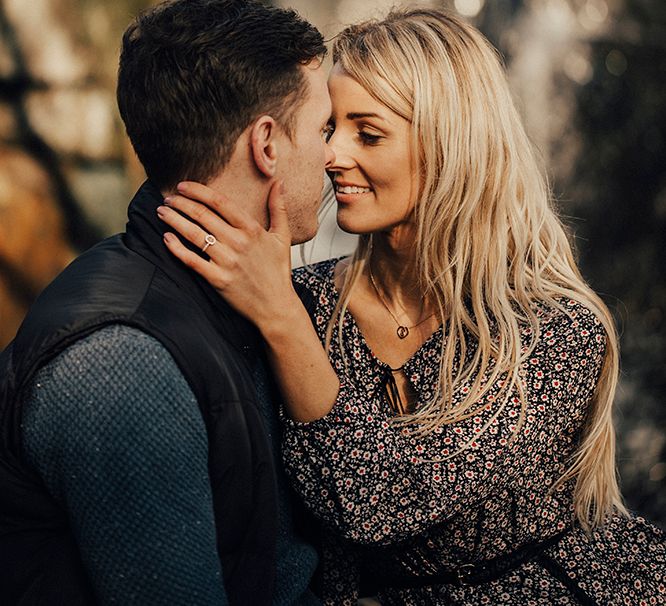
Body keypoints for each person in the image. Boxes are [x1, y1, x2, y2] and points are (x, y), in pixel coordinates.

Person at [159, 7, 666, 605]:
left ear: (449, 146)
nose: (330, 156)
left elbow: (386, 500)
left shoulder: (557, 330)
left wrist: (279, 319)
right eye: (329, 129)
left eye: (367, 133)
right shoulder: (305, 301)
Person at [0, 0, 335, 604]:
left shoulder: (240, 296)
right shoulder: (121, 365)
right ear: (267, 145)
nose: (335, 157)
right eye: (324, 130)